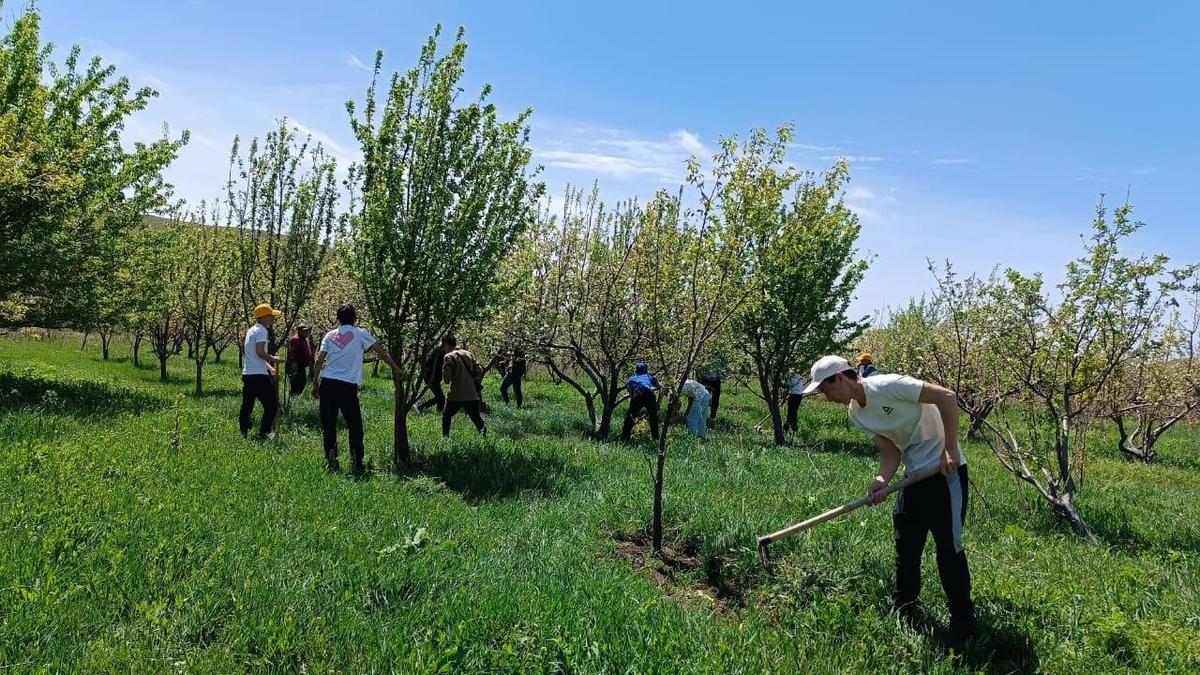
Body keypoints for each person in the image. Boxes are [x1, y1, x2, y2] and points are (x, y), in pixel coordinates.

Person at [803, 354, 974, 646]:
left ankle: (963, 623)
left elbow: (947, 396)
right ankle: (905, 608)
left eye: (825, 389)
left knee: (949, 547)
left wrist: (949, 449)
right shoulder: (856, 414)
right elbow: (891, 451)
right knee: (906, 542)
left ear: (841, 379)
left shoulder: (889, 385)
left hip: (946, 471)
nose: (825, 396)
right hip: (915, 474)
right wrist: (881, 481)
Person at [312, 304, 400, 476]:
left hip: (328, 384)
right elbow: (381, 352)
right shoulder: (361, 334)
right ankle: (357, 459)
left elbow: (319, 360)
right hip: (347, 386)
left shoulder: (330, 336)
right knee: (355, 425)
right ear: (355, 319)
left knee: (329, 424)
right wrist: (396, 368)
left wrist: (315, 384)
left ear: (337, 319)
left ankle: (331, 457)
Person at [240, 303, 284, 440]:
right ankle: (264, 433)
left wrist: (270, 368)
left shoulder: (251, 330)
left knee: (247, 405)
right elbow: (260, 352)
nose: (273, 319)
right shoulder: (262, 331)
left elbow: (254, 354)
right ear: (264, 317)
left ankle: (244, 431)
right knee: (271, 406)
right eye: (271, 316)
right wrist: (274, 359)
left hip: (248, 374)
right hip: (259, 376)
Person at [441, 334, 487, 437]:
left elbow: (447, 380)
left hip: (456, 394)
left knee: (446, 416)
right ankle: (484, 436)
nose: (443, 348)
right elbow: (479, 370)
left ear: (446, 344)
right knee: (476, 418)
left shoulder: (448, 357)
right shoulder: (468, 354)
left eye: (443, 345)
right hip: (472, 393)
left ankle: (445, 437)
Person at [620, 362, 661, 442]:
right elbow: (660, 387)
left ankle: (625, 439)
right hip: (649, 394)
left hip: (638, 394)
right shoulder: (650, 377)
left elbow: (631, 394)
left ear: (636, 371)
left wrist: (633, 406)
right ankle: (655, 439)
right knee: (653, 418)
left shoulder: (631, 379)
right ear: (646, 370)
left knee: (630, 418)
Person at [417, 342, 447, 413]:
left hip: (433, 377)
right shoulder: (440, 352)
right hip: (432, 377)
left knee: (440, 398)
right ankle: (421, 407)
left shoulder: (438, 351)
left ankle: (439, 412)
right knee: (441, 398)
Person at [285, 324, 314, 397]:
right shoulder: (295, 339)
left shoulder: (304, 339)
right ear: (299, 331)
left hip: (301, 367)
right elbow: (291, 355)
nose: (307, 332)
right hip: (295, 367)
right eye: (304, 331)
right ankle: (293, 400)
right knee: (296, 385)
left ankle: (295, 398)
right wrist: (294, 368)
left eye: (307, 331)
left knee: (302, 383)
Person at [697, 357, 725, 421]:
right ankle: (701, 415)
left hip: (716, 379)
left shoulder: (719, 353)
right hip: (705, 378)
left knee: (715, 398)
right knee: (703, 398)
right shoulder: (704, 351)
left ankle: (712, 417)